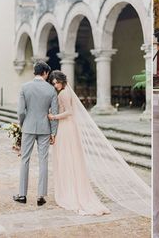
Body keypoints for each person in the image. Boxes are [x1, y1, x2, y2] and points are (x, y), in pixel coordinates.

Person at [47, 70, 110, 215]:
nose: (56, 85)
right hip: (70, 126)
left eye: (57, 82)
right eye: (54, 83)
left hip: (65, 127)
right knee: (71, 158)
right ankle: (72, 187)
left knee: (65, 158)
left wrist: (53, 116)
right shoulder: (67, 91)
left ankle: (69, 191)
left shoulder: (63, 93)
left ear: (62, 81)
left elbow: (69, 112)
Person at [14, 61, 58, 206]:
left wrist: (23, 125)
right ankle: (40, 196)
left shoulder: (24, 87)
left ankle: (22, 195)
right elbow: (54, 113)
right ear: (45, 73)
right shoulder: (51, 90)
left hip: (28, 127)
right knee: (43, 160)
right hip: (45, 129)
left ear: (35, 72)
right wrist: (53, 132)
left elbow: (20, 111)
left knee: (25, 160)